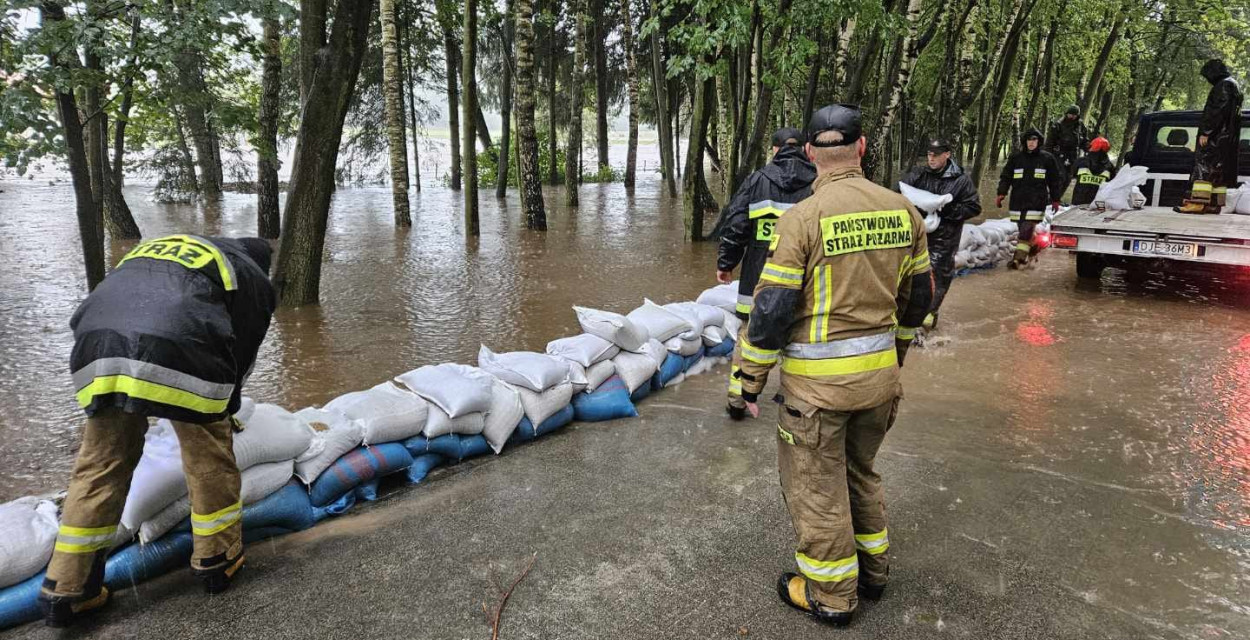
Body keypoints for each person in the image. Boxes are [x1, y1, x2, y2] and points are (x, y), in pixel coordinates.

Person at [734, 104, 932, 626]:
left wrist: (748, 383)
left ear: (809, 154)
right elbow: (918, 300)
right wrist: (896, 357)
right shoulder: (902, 211)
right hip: (880, 385)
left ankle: (832, 596)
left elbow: (770, 312)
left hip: (817, 398)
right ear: (862, 148)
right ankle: (874, 573)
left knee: (817, 490)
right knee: (860, 472)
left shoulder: (802, 220)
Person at [38, 235, 276, 627]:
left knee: (100, 463)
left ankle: (66, 587)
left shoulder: (170, 248)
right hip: (179, 342)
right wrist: (224, 409)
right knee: (208, 454)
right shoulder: (250, 275)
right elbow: (241, 352)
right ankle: (218, 558)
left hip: (96, 343)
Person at [712, 127, 816, 420]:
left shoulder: (758, 180)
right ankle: (793, 395)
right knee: (800, 336)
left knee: (748, 337)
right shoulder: (819, 182)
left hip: (759, 275)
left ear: (775, 150)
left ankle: (737, 400)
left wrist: (726, 263)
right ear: (807, 149)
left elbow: (736, 225)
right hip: (804, 276)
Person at [899, 138, 980, 331]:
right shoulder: (919, 175)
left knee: (937, 277)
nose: (931, 158)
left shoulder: (960, 180)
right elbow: (898, 193)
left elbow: (974, 207)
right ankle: (910, 317)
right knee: (911, 276)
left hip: (945, 239)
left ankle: (927, 319)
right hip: (918, 236)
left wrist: (947, 210)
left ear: (947, 154)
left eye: (936, 154)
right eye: (929, 154)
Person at [1176, 59, 1243, 214]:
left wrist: (1207, 132)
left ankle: (1197, 203)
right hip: (1227, 139)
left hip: (1216, 137)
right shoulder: (1234, 85)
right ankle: (1214, 204)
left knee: (1204, 169)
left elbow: (1217, 110)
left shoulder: (1223, 85)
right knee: (1218, 171)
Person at [997, 128, 1064, 268]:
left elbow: (1054, 181)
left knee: (1026, 229)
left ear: (1039, 142)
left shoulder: (1047, 158)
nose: (1031, 142)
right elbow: (1006, 176)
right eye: (1029, 140)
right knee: (1024, 230)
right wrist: (1001, 193)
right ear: (1024, 142)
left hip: (1037, 200)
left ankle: (1018, 260)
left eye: (1034, 140)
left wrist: (1056, 199)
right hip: (1017, 200)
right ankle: (1034, 249)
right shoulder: (1016, 158)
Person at [1046, 105, 1088, 186]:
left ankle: (1056, 197)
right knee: (1060, 176)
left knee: (1068, 178)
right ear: (1067, 113)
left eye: (1074, 115)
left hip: (1073, 155)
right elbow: (1050, 142)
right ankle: (1053, 196)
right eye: (1070, 114)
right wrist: (1047, 156)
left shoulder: (1080, 125)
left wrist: (1089, 150)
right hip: (1059, 154)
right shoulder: (1058, 124)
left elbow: (1084, 140)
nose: (1072, 116)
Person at [1071, 136, 1117, 206]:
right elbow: (1112, 182)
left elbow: (1073, 173)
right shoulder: (1110, 166)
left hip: (1078, 201)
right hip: (1098, 203)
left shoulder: (1080, 161)